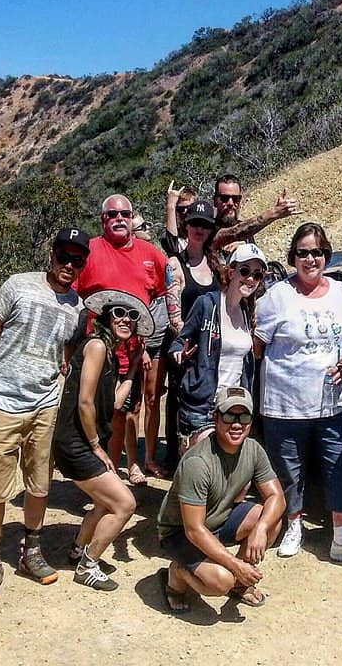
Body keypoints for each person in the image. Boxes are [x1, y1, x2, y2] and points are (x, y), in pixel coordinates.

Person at [0, 227, 90, 605]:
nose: (68, 264)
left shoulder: (78, 306)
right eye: (63, 256)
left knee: (39, 485)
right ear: (50, 255)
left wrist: (63, 364)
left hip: (45, 406)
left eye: (77, 259)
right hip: (3, 402)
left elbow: (68, 345)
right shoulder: (18, 285)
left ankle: (30, 552)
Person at [253, 222, 342, 562]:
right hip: (285, 403)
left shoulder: (341, 291)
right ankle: (294, 527)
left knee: (341, 466)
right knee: (290, 469)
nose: (312, 259)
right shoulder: (277, 296)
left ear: (327, 255)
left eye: (319, 252)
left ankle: (341, 537)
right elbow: (258, 346)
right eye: (304, 252)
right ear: (293, 257)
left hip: (335, 403)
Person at [53, 289, 151, 591]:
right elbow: (84, 402)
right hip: (76, 443)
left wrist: (133, 366)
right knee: (124, 503)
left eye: (131, 316)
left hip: (80, 442)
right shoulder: (96, 346)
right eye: (119, 313)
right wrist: (97, 446)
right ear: (106, 317)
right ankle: (88, 564)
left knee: (103, 501)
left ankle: (77, 549)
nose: (125, 319)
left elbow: (116, 403)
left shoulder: (107, 352)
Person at [156, 386, 286, 612]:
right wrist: (236, 565)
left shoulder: (253, 449)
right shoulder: (198, 463)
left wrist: (261, 528)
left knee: (271, 520)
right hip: (181, 532)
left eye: (243, 416)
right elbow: (194, 530)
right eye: (228, 416)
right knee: (220, 582)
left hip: (219, 518)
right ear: (215, 418)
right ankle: (177, 576)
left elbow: (277, 496)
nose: (236, 424)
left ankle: (239, 583)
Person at [75, 194, 168, 485]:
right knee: (91, 411)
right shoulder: (88, 251)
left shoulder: (150, 254)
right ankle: (91, 475)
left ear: (131, 218)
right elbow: (73, 298)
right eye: (112, 214)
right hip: (96, 350)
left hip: (133, 352)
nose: (119, 219)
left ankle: (111, 475)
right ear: (102, 220)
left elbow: (162, 298)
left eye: (124, 214)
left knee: (122, 415)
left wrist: (148, 346)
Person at [170, 242, 265, 452]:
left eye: (257, 275)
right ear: (231, 272)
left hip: (233, 406)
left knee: (229, 475)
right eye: (245, 271)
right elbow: (179, 341)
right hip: (203, 404)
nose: (250, 278)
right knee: (200, 471)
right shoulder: (207, 304)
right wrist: (180, 353)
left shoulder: (246, 311)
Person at [163, 200, 220, 471]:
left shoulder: (217, 263)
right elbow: (174, 315)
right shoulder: (175, 265)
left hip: (214, 350)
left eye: (205, 225)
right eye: (195, 223)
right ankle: (179, 465)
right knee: (181, 404)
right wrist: (190, 341)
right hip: (186, 349)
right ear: (186, 225)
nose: (199, 229)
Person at [131, 212, 171, 480]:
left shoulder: (156, 258)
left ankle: (148, 459)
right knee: (133, 404)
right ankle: (132, 462)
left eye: (145, 225)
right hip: (138, 342)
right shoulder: (130, 264)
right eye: (141, 227)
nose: (147, 230)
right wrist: (141, 346)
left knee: (153, 399)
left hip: (161, 336)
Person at [208, 172, 302, 254]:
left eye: (236, 199)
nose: (230, 203)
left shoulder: (247, 230)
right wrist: (274, 213)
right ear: (215, 201)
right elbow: (236, 232)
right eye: (224, 198)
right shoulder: (207, 229)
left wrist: (246, 248)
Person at [161, 182, 198, 258]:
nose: (184, 212)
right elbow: (173, 246)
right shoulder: (172, 237)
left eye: (189, 208)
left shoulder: (204, 233)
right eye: (180, 209)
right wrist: (171, 206)